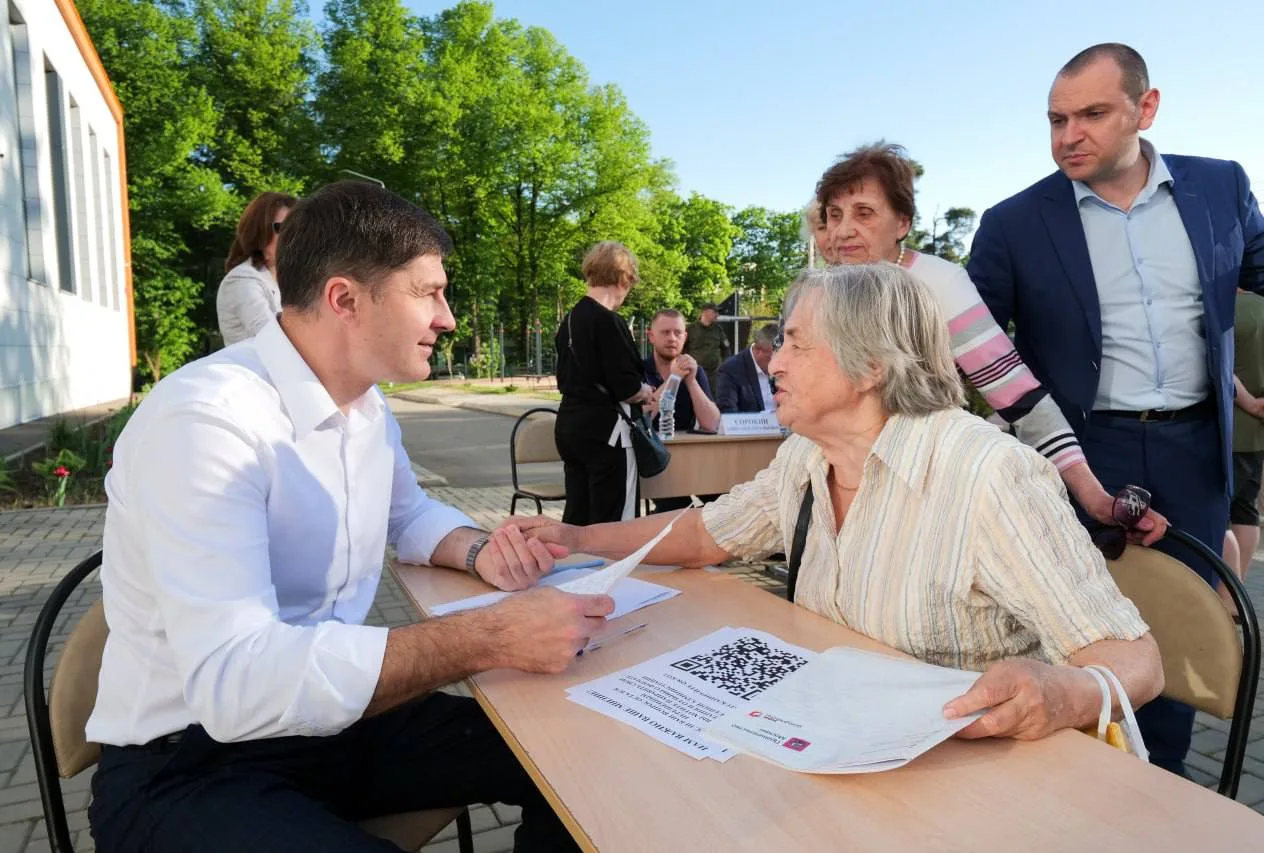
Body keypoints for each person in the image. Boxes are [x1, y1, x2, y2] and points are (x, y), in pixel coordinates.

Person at [86, 181, 610, 852]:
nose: (448, 318)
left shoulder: (364, 406)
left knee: (573, 751)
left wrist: (481, 550)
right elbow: (235, 683)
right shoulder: (207, 421)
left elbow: (408, 513)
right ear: (345, 299)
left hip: (325, 724)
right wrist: (488, 637)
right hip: (189, 763)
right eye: (429, 293)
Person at [528, 264, 1164, 742]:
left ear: (870, 366)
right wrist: (575, 541)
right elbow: (707, 533)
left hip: (962, 774)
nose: (773, 362)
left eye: (796, 343)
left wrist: (1066, 694)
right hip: (839, 742)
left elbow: (1135, 661)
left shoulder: (986, 474)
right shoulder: (808, 455)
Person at [966, 43, 1264, 776]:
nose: (1070, 135)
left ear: (1145, 108)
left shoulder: (1220, 187)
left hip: (1195, 453)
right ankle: (1074, 789)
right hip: (1077, 455)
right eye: (1057, 119)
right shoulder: (1013, 223)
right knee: (1074, 636)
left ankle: (1160, 788)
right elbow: (961, 342)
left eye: (1093, 114)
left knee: (1172, 641)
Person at [814, 142, 1166, 546]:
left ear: (902, 223)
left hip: (911, 492)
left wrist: (1092, 496)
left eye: (864, 213)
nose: (843, 229)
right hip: (828, 478)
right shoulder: (818, 292)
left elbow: (1020, 396)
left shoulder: (939, 285)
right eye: (834, 215)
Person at [554, 241, 653, 525]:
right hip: (607, 433)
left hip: (570, 426)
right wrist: (645, 391)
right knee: (614, 520)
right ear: (623, 279)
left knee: (577, 516)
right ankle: (611, 558)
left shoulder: (570, 319)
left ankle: (573, 556)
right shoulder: (609, 321)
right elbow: (627, 387)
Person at [642, 308, 721, 511]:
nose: (672, 338)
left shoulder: (695, 371)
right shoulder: (638, 370)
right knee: (675, 505)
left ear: (685, 337)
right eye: (665, 332)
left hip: (690, 460)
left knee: (723, 497)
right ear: (651, 336)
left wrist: (691, 381)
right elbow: (643, 416)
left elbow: (712, 423)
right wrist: (673, 378)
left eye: (677, 333)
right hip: (652, 462)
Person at [217, 192, 296, 346]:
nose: (292, 236)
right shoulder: (241, 279)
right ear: (259, 232)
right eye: (282, 228)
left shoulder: (290, 279)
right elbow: (271, 336)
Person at [1227, 290, 1264, 601]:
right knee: (1245, 511)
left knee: (1219, 513)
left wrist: (1249, 402)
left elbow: (1221, 366)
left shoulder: (1225, 307)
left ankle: (1230, 597)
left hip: (1229, 427)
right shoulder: (1259, 307)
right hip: (1256, 433)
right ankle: (1239, 596)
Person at [716, 323, 780, 414]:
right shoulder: (730, 370)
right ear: (758, 350)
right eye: (774, 358)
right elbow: (728, 414)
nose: (780, 363)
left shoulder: (786, 368)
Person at [684, 302, 731, 392]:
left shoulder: (718, 330)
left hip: (714, 375)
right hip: (694, 374)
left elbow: (726, 349)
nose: (717, 315)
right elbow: (681, 349)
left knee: (713, 397)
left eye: (718, 312)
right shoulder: (691, 329)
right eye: (715, 312)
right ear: (705, 312)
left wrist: (723, 366)